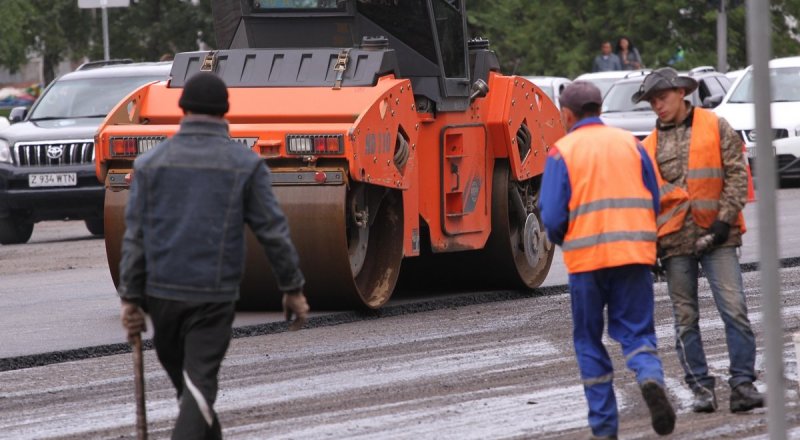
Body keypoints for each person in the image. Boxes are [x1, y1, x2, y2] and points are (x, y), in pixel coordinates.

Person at [117, 71, 310, 439]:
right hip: (212, 296)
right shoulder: (245, 164)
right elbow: (272, 230)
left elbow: (135, 237)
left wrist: (131, 297)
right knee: (196, 389)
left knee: (192, 389)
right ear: (225, 111)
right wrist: (292, 287)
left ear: (182, 108)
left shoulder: (149, 164)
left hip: (162, 296)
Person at [539, 81, 675, 439]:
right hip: (634, 254)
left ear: (567, 114)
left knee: (588, 341)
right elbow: (654, 197)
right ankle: (649, 377)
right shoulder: (631, 144)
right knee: (637, 332)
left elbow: (551, 216)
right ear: (599, 109)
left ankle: (604, 427)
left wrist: (561, 239)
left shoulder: (561, 152)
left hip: (587, 262)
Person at [632, 67, 764, 414]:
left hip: (718, 236)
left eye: (662, 98)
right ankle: (702, 390)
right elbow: (647, 201)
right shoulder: (648, 146)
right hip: (674, 244)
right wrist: (651, 250)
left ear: (681, 93)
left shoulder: (715, 125)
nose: (657, 106)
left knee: (734, 311)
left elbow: (737, 172)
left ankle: (742, 386)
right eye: (651, 101)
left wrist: (723, 221)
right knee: (685, 319)